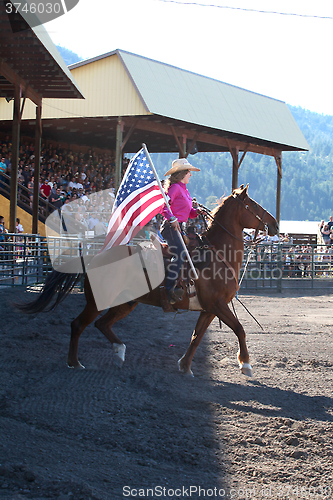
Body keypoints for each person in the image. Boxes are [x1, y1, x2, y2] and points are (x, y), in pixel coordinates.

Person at [160, 158, 201, 304]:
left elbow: (189, 212)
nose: (191, 174)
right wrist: (172, 219)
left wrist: (197, 212)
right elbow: (163, 206)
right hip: (171, 227)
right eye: (189, 172)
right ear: (183, 173)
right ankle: (169, 289)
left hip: (180, 227)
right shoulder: (175, 188)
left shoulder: (184, 189)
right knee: (180, 253)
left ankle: (182, 284)